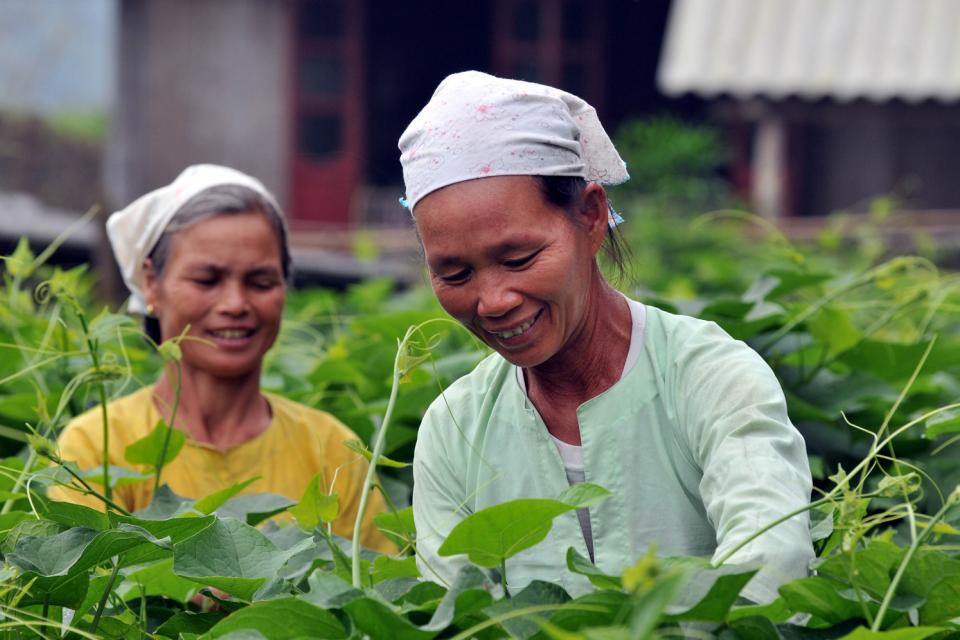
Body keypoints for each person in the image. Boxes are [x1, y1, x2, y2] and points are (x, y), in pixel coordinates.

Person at [399, 71, 814, 601]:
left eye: (519, 258)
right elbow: (451, 613)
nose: (493, 300)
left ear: (591, 217)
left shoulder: (709, 376)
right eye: (455, 275)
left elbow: (770, 565)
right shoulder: (454, 429)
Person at [52, 164, 391, 552]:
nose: (235, 304)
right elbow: (85, 601)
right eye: (207, 281)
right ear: (151, 283)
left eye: (260, 282)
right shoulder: (96, 447)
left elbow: (377, 592)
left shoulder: (330, 448)